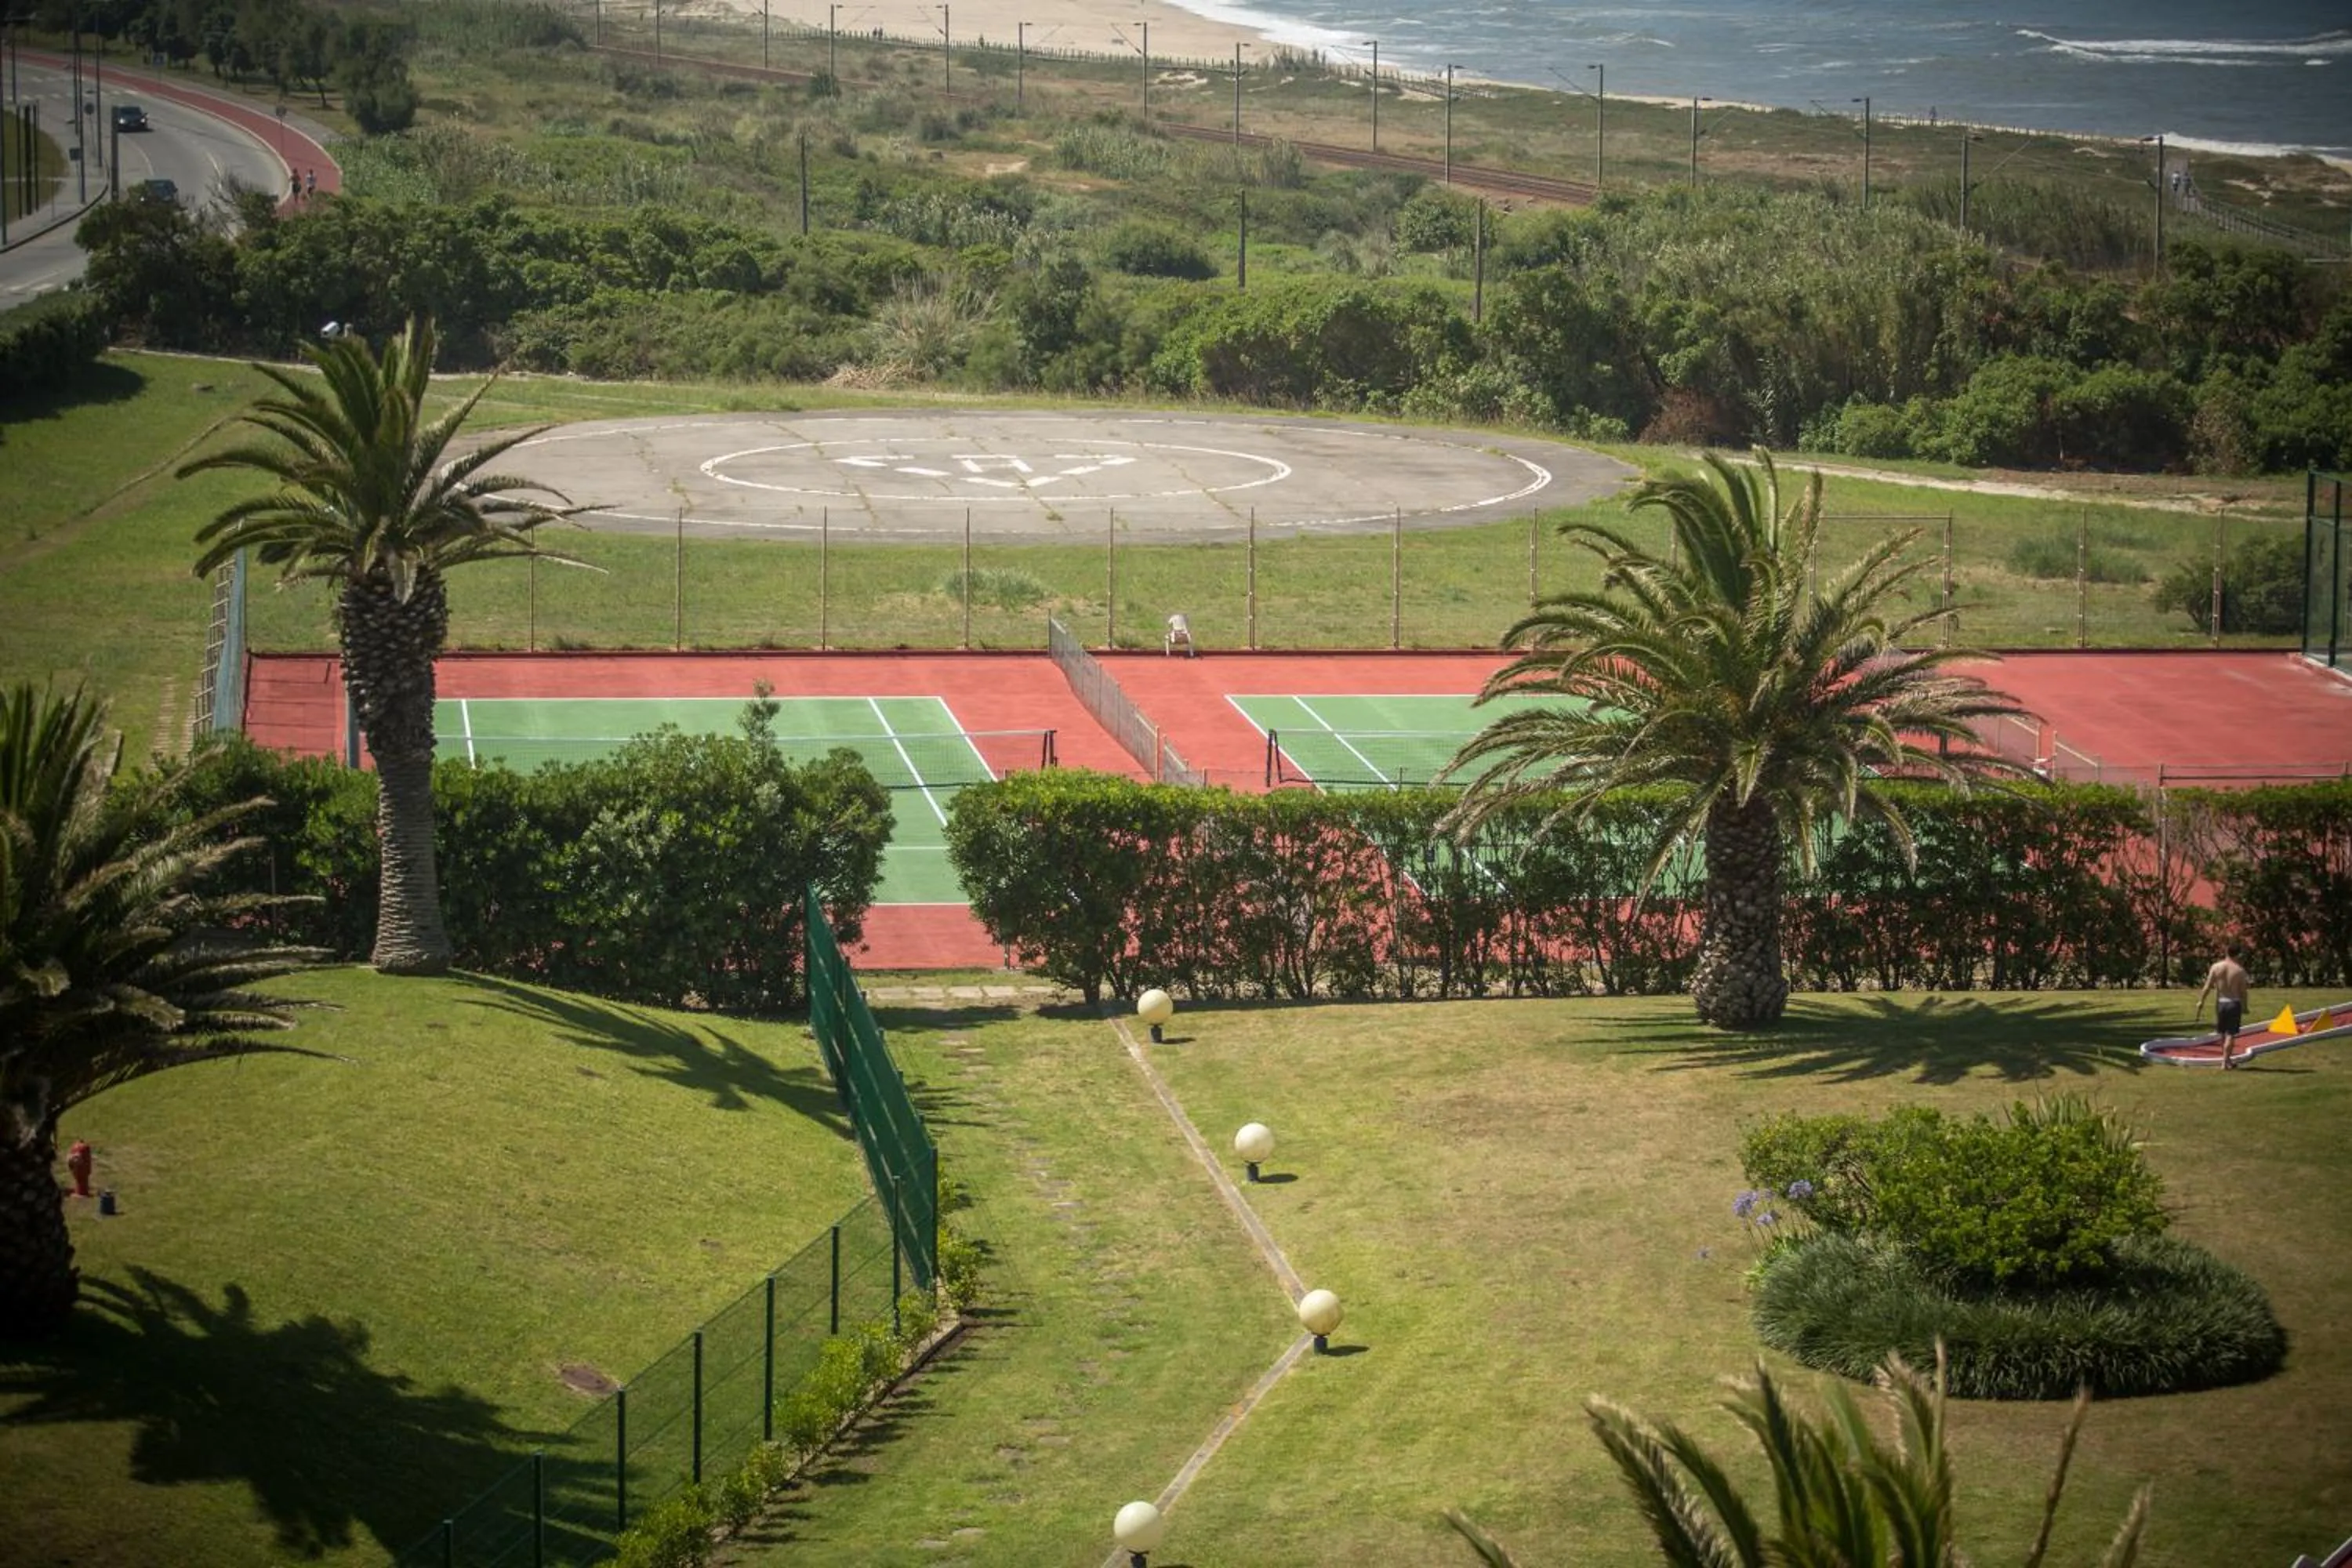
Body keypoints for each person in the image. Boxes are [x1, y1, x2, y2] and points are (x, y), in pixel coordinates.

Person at [2195, 947, 2252, 1069]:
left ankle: (2227, 1061)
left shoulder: (2216, 967)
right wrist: (2245, 1007)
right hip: (2234, 1003)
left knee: (2222, 1033)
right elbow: (2243, 992)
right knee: (2230, 1034)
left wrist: (2201, 1001)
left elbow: (2208, 986)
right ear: (2237, 955)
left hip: (2221, 1003)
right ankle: (2225, 1062)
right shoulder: (2239, 971)